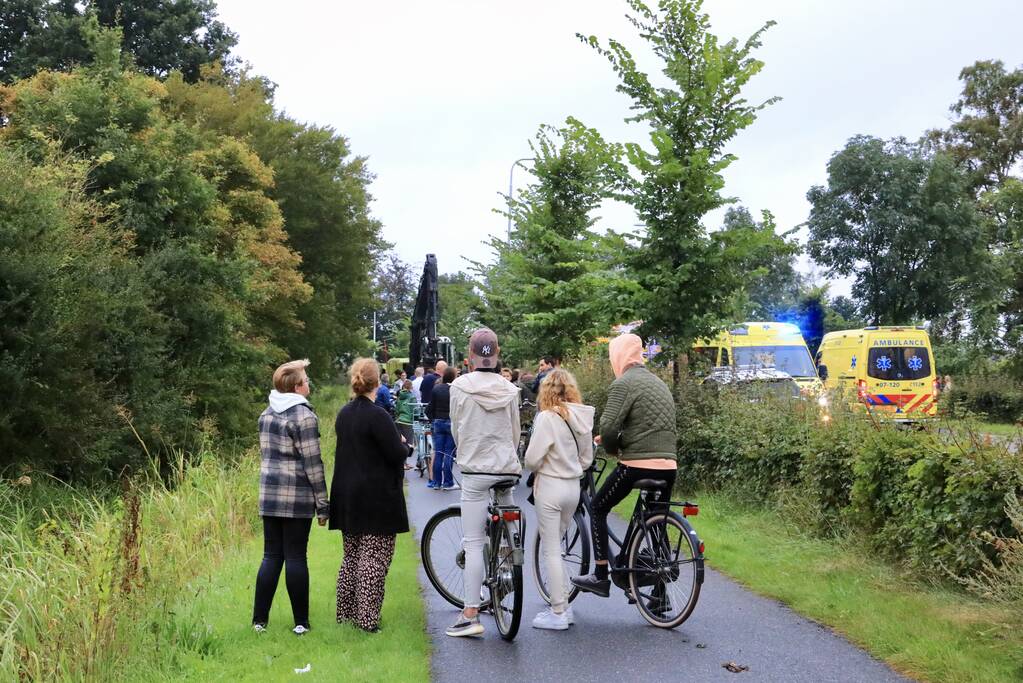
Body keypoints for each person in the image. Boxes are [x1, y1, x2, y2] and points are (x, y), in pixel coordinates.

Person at [572, 333, 677, 599]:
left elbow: (608, 427)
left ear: (618, 356)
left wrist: (612, 448)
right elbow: (648, 424)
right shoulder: (659, 383)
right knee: (656, 522)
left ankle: (599, 575)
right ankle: (660, 595)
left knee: (597, 508)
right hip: (668, 464)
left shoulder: (624, 383)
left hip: (637, 464)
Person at [446, 328, 521, 637]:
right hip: (506, 467)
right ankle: (508, 561)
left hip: (476, 470)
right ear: (497, 352)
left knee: (474, 542)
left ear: (470, 356)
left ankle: (470, 613)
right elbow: (515, 432)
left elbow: (456, 428)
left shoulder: (460, 387)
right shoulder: (510, 389)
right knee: (509, 524)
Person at [329, 358, 411, 633]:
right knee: (374, 559)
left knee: (351, 557)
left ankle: (346, 614)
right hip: (376, 496)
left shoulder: (344, 413)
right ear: (378, 382)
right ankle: (367, 620)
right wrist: (405, 446)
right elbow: (395, 453)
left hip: (348, 494)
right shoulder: (379, 416)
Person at [253, 359, 329, 636]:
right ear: (296, 387)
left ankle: (259, 621)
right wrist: (322, 504)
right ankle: (301, 622)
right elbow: (312, 463)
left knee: (271, 555)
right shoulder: (304, 417)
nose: (309, 383)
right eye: (306, 380)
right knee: (296, 556)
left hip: (269, 493)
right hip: (296, 494)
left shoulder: (266, 414)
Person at [525, 369, 594, 630]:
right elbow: (586, 459)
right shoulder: (582, 417)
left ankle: (558, 612)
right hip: (572, 488)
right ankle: (564, 603)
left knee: (551, 550)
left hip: (550, 486)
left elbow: (532, 460)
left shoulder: (546, 418)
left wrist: (544, 463)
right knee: (559, 548)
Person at [427, 367, 458, 491]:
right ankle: (448, 482)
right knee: (448, 453)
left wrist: (433, 419)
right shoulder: (455, 390)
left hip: (438, 422)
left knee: (438, 453)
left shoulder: (437, 388)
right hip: (451, 422)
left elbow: (430, 408)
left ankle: (436, 482)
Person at [394, 379, 416, 471]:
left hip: (399, 420)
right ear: (411, 387)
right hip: (407, 422)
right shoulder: (412, 397)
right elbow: (414, 410)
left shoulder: (399, 396)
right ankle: (403, 463)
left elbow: (397, 409)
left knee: (401, 442)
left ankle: (404, 463)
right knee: (408, 443)